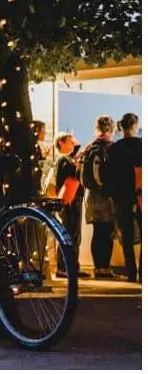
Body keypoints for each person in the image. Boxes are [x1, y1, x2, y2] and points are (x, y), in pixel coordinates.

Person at [82, 115, 118, 278]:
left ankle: (98, 268)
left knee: (97, 232)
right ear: (111, 128)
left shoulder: (89, 147)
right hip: (107, 195)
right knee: (108, 231)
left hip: (91, 195)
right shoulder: (112, 147)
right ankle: (105, 268)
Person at [47, 132, 89, 278]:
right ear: (61, 143)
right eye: (70, 142)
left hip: (73, 198)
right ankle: (63, 267)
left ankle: (72, 267)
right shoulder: (63, 159)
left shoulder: (67, 159)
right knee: (69, 233)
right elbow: (73, 173)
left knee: (75, 234)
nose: (73, 145)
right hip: (69, 199)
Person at [109, 113, 141, 282]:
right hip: (141, 195)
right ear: (134, 126)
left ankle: (131, 274)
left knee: (126, 236)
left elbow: (110, 175)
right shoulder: (142, 145)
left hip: (121, 197)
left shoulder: (115, 148)